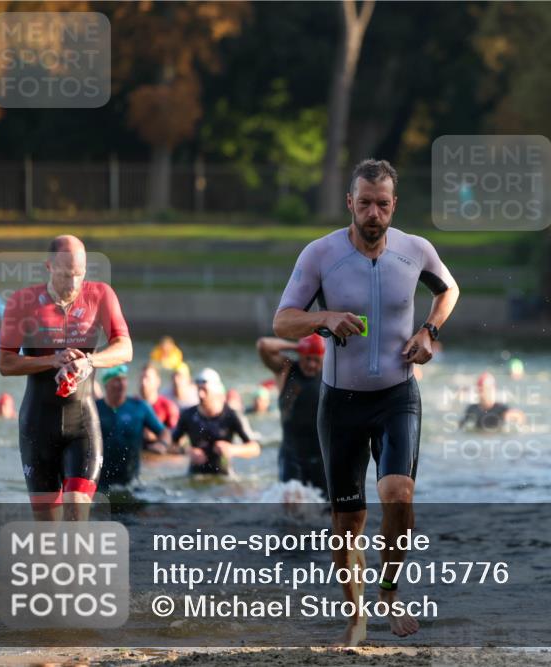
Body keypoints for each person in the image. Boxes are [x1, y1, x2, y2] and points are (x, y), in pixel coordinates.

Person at [274, 158, 459, 646]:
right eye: (365, 203)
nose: (373, 212)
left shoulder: (415, 251)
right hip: (341, 403)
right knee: (348, 519)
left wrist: (429, 332)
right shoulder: (320, 255)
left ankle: (390, 591)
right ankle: (355, 616)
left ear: (393, 205)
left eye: (382, 204)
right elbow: (283, 321)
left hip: (398, 394)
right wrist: (325, 318)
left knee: (398, 495)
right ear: (349, 203)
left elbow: (449, 289)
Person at [0, 235, 132, 520]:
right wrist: (52, 359)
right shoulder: (23, 302)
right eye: (65, 275)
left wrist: (89, 361)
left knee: (76, 510)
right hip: (37, 424)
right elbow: (5, 363)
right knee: (48, 530)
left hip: (81, 421)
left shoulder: (100, 295)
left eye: (79, 275)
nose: (73, 284)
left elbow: (125, 347)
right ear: (49, 266)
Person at [257, 334, 326, 494]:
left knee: (326, 509)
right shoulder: (286, 369)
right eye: (307, 359)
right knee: (291, 505)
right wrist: (298, 346)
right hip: (292, 453)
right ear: (300, 355)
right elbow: (263, 345)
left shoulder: (331, 373)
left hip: (322, 454)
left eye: (316, 360)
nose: (311, 364)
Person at [95, 365, 172, 491]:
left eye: (124, 379)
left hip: (131, 483)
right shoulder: (94, 408)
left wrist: (162, 444)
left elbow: (164, 431)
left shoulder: (139, 407)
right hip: (100, 482)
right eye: (117, 380)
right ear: (106, 384)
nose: (122, 384)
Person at [172, 368, 261, 475]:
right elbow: (172, 444)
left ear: (216, 391)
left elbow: (255, 448)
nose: (201, 395)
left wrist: (232, 450)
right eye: (198, 389)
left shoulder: (232, 415)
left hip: (224, 478)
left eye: (205, 390)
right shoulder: (188, 415)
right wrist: (187, 451)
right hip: (195, 477)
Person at [460, 372, 525, 431]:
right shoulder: (472, 409)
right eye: (485, 390)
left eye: (491, 389)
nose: (488, 393)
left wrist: (514, 418)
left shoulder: (501, 409)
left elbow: (519, 416)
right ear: (478, 391)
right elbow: (461, 427)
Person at [139, 363, 179, 446]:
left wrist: (158, 436)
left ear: (157, 381)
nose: (143, 383)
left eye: (147, 378)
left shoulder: (168, 407)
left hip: (159, 452)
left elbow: (177, 438)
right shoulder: (133, 405)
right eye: (141, 378)